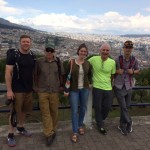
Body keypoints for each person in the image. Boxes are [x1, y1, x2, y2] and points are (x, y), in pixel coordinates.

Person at [5, 35, 35, 147]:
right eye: (24, 41)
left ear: (30, 43)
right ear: (20, 43)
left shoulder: (32, 55)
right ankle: (10, 134)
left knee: (24, 111)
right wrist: (9, 90)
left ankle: (21, 128)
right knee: (14, 112)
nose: (26, 43)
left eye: (27, 41)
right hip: (17, 89)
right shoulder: (14, 55)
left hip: (28, 89)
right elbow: (8, 73)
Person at [34, 42, 65, 146]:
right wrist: (35, 87)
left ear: (54, 52)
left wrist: (61, 86)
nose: (49, 52)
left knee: (54, 111)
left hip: (54, 91)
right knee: (45, 113)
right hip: (42, 91)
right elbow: (35, 74)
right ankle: (48, 133)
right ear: (44, 51)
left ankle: (53, 129)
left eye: (51, 51)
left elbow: (62, 74)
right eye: (47, 50)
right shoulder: (39, 62)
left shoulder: (58, 61)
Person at [66, 43, 92, 143]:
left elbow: (90, 74)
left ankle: (80, 125)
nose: (83, 53)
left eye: (85, 51)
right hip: (74, 89)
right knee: (74, 111)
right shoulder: (71, 62)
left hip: (84, 88)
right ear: (78, 51)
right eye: (81, 51)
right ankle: (75, 131)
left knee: (83, 108)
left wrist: (89, 83)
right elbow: (66, 75)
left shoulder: (88, 63)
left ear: (86, 53)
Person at [88, 43, 116, 135]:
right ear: (99, 51)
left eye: (107, 50)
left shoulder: (112, 62)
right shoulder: (93, 59)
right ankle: (100, 125)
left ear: (109, 52)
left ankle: (100, 119)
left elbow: (112, 75)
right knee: (97, 107)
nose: (105, 51)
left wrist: (110, 85)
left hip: (108, 88)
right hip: (97, 87)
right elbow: (84, 64)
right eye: (103, 50)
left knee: (107, 107)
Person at [114, 40, 140, 135]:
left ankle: (121, 124)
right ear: (123, 48)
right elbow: (112, 71)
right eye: (126, 47)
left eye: (130, 48)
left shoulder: (135, 60)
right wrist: (117, 71)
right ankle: (129, 122)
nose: (128, 49)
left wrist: (132, 72)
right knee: (124, 107)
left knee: (126, 107)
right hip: (119, 86)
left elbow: (138, 70)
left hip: (129, 86)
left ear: (132, 49)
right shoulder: (117, 59)